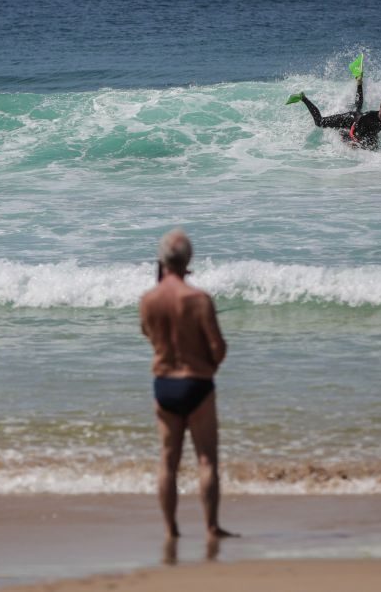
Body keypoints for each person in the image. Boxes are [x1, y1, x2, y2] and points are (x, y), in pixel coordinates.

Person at [139, 229, 235, 539]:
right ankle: (211, 526)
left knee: (168, 460)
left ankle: (170, 529)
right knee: (206, 459)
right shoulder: (199, 299)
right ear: (188, 260)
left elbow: (148, 335)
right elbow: (218, 347)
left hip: (164, 385)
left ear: (161, 260)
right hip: (196, 384)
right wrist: (209, 368)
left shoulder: (148, 300)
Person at [287, 74, 381, 150]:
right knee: (320, 122)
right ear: (379, 107)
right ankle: (303, 97)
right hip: (349, 120)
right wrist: (353, 140)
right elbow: (352, 130)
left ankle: (359, 81)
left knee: (358, 108)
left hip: (359, 121)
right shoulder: (368, 116)